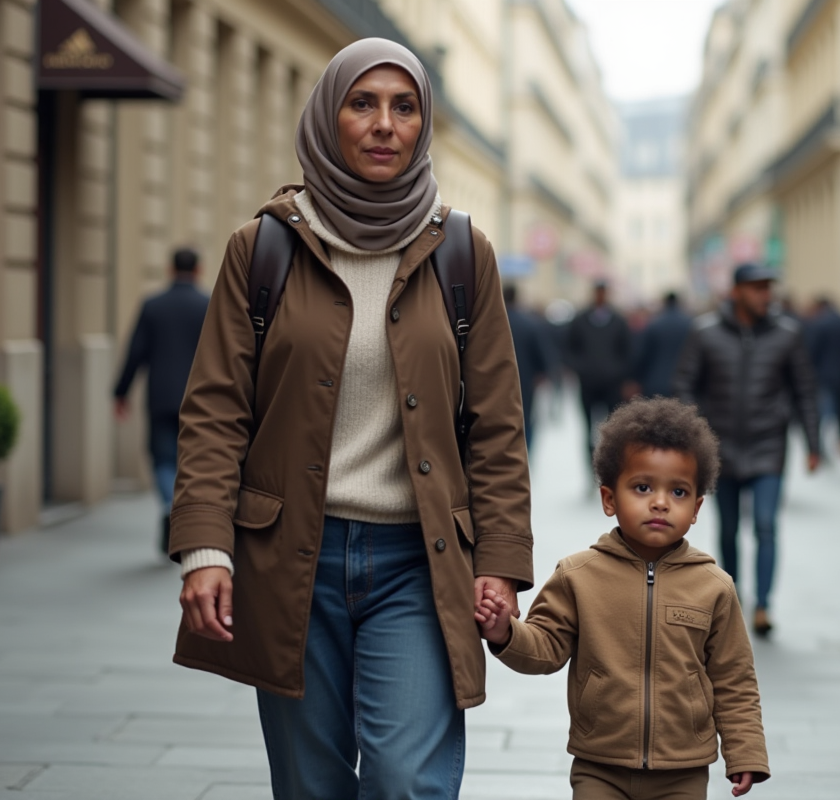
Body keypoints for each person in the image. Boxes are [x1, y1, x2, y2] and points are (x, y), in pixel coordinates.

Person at [170, 39, 532, 799]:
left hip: (420, 561)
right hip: (292, 556)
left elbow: (496, 425)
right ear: (327, 116)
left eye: (404, 108)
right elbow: (215, 412)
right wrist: (206, 545)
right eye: (361, 103)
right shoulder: (263, 247)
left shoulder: (462, 251)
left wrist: (499, 558)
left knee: (408, 782)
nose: (383, 124)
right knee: (311, 785)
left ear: (423, 124)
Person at [476, 398, 770, 800]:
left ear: (697, 507)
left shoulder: (714, 586)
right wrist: (504, 633)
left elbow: (734, 678)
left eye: (679, 491)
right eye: (643, 487)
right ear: (609, 499)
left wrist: (745, 752)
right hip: (600, 767)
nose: (661, 502)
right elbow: (546, 647)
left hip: (682, 770)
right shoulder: (578, 576)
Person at [673, 263, 821, 636]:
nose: (764, 295)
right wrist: (692, 436)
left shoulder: (787, 333)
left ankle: (765, 605)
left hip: (769, 443)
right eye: (756, 288)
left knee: (767, 525)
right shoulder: (705, 332)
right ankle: (733, 597)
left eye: (767, 287)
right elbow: (685, 386)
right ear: (737, 291)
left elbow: (804, 389)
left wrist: (814, 442)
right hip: (719, 447)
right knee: (728, 528)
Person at [113, 247, 209, 554]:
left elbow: (135, 352)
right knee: (193, 460)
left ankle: (169, 504)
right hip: (200, 400)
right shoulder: (208, 305)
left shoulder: (153, 305)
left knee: (163, 459)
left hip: (161, 397)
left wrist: (121, 392)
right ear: (198, 270)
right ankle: (183, 511)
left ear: (170, 270)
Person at [566, 281, 633, 467]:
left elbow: (627, 350)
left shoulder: (618, 321)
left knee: (613, 428)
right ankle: (590, 468)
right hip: (587, 383)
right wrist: (580, 368)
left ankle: (610, 466)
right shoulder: (580, 319)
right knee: (588, 429)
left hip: (612, 384)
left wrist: (619, 372)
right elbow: (570, 348)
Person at [503, 283, 557, 449]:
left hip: (498, 379)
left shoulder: (492, 322)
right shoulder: (530, 323)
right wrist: (543, 373)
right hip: (525, 380)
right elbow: (542, 353)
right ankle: (525, 453)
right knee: (525, 418)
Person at [803, 296, 840, 449]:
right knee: (839, 413)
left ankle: (824, 447)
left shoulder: (820, 324)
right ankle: (839, 443)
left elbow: (812, 352)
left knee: (825, 416)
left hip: (824, 376)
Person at [633, 291, 692, 398]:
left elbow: (642, 355)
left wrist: (637, 379)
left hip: (655, 383)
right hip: (683, 384)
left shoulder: (654, 324)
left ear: (665, 303)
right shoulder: (690, 324)